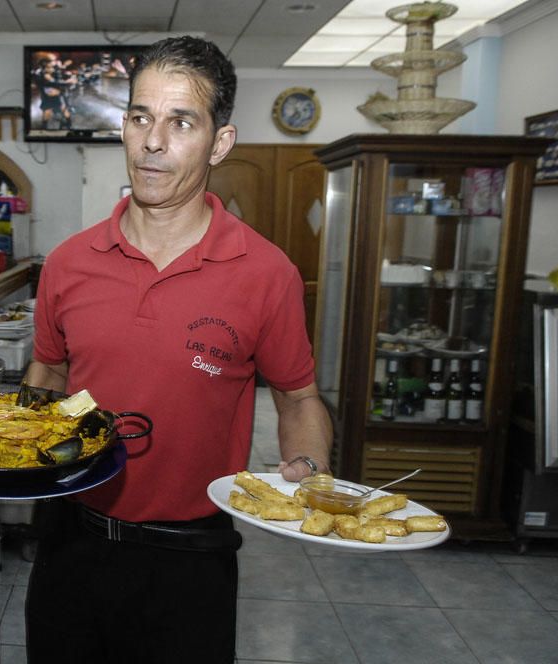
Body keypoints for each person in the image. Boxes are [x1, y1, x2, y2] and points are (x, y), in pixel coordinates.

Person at [23, 35, 332, 664]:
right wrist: (19, 447)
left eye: (180, 121)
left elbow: (299, 397)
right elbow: (49, 370)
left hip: (191, 558)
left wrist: (309, 475)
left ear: (220, 142)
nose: (152, 142)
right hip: (69, 541)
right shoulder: (68, 262)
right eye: (140, 117)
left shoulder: (266, 273)